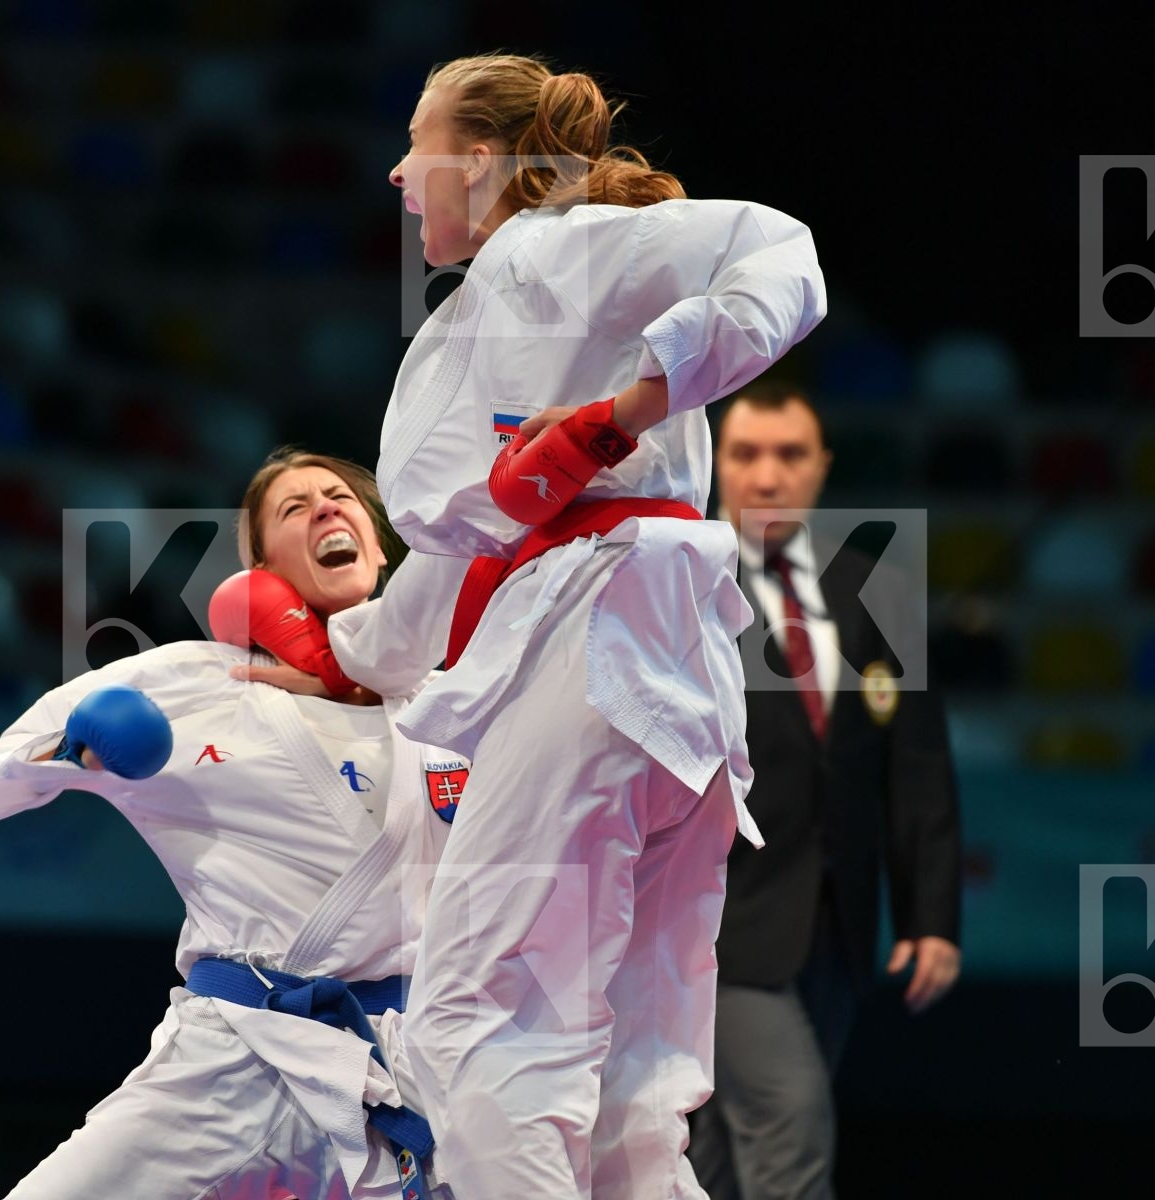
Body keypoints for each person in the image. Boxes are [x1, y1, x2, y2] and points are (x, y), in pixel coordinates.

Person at [239, 54, 826, 1199]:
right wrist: (331, 650)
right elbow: (462, 557)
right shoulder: (514, 287)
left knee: (486, 1019)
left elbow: (786, 255)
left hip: (600, 649)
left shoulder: (556, 246)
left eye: (421, 144)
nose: (400, 172)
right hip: (661, 683)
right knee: (636, 1077)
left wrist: (626, 409)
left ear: (489, 162)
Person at [0, 450, 465, 1200]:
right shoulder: (192, 679)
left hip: (415, 1064)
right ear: (258, 565)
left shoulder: (449, 702)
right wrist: (76, 748)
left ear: (380, 544)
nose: (325, 508)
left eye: (339, 497)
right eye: (294, 509)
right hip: (235, 1057)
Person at [688, 390, 962, 1200]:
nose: (767, 476)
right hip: (714, 924)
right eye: (745, 455)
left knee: (719, 1158)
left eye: (790, 454)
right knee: (789, 1123)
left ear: (821, 466)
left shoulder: (879, 591)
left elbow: (914, 766)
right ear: (714, 464)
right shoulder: (682, 587)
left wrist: (930, 919)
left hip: (836, 924)